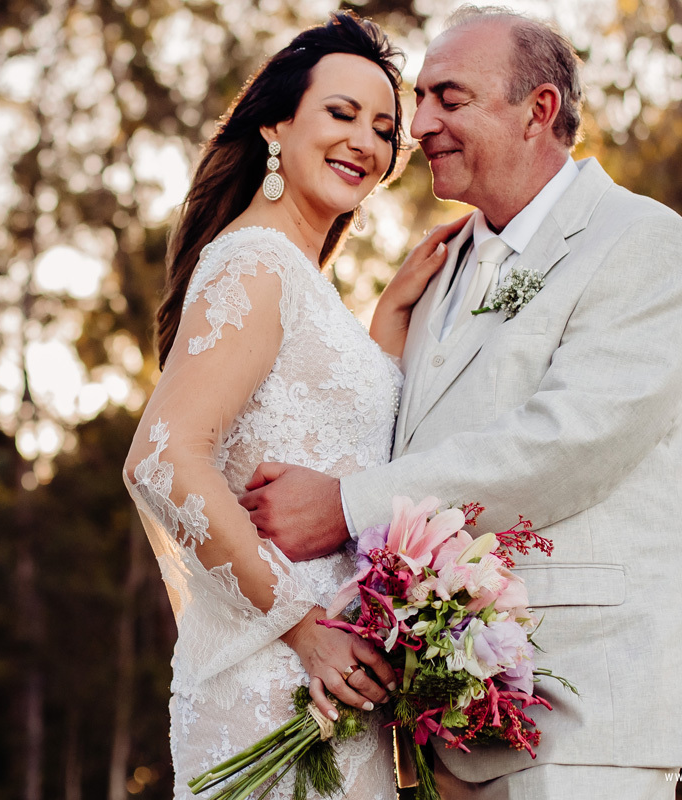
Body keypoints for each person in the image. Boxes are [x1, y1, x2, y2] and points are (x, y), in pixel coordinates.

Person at [240, 6, 682, 799]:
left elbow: (571, 440)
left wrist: (348, 505)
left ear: (537, 111)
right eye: (421, 99)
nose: (419, 124)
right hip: (442, 721)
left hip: (585, 708)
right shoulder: (432, 274)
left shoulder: (643, 243)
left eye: (449, 99)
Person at [123, 12, 464, 799]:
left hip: (336, 690)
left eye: (384, 129)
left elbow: (328, 440)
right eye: (340, 115)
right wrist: (305, 632)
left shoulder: (308, 285)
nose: (366, 142)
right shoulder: (253, 264)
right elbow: (161, 460)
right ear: (276, 125)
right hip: (275, 679)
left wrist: (383, 328)